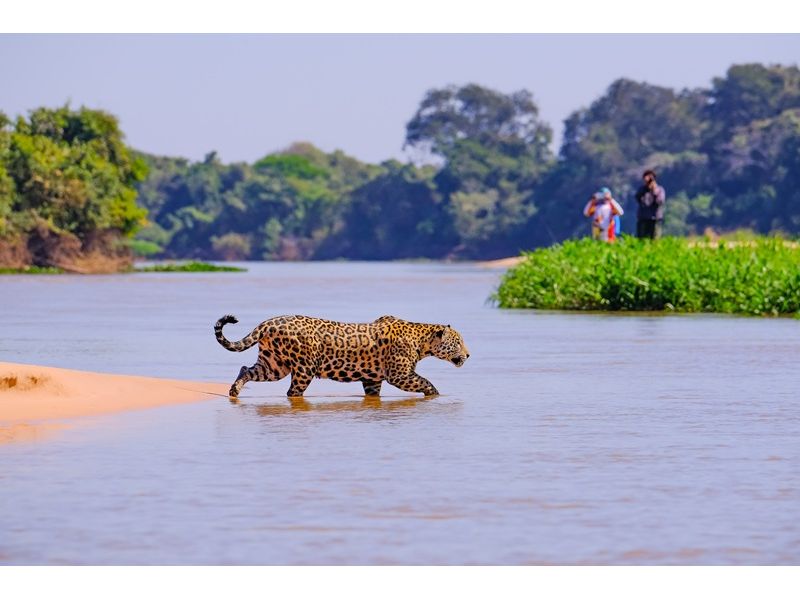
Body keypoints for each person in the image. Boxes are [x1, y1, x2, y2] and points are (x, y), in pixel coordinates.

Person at [635, 170, 666, 239]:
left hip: (655, 218)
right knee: (641, 239)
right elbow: (637, 198)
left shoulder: (659, 190)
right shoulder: (642, 189)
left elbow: (660, 201)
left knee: (655, 239)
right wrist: (645, 188)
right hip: (643, 218)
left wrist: (654, 190)